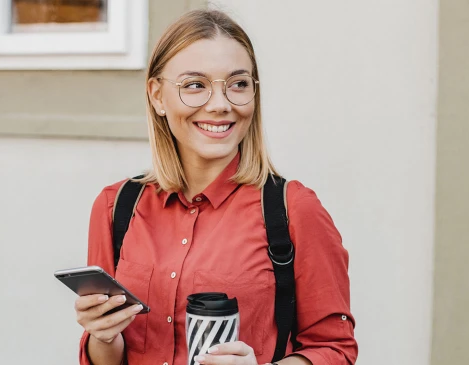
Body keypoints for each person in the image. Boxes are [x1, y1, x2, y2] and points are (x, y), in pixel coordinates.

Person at [74, 9, 358, 365]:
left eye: (238, 84)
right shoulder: (116, 207)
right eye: (195, 85)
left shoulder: (293, 210)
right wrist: (103, 335)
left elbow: (335, 350)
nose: (221, 105)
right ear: (157, 96)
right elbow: (104, 357)